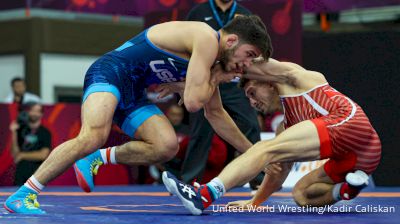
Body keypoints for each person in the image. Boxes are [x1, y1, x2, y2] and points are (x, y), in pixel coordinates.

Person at [4, 15, 272, 214]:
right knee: (94, 134)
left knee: (166, 146)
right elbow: (192, 103)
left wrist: (256, 153)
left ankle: (97, 159)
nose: (245, 65)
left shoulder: (211, 62)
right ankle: (25, 193)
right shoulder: (205, 37)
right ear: (232, 40)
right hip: (109, 72)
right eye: (248, 55)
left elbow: (215, 114)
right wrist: (214, 76)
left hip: (133, 90)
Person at [162, 58, 381, 215]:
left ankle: (205, 195)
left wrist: (205, 71)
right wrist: (255, 202)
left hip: (353, 125)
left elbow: (246, 63)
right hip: (362, 158)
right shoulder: (286, 129)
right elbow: (279, 171)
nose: (252, 103)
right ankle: (348, 189)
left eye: (252, 93)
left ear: (267, 82)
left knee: (264, 148)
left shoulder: (297, 78)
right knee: (302, 195)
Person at [181, 0, 262, 186]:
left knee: (251, 125)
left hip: (234, 84)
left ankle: (258, 179)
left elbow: (252, 52)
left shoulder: (245, 13)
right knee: (200, 131)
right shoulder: (198, 12)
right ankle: (189, 181)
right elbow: (187, 49)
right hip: (204, 79)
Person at [10, 102, 51, 186]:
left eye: (37, 111)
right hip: (20, 175)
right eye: (32, 110)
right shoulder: (21, 130)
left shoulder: (45, 132)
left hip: (37, 176)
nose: (34, 113)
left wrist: (22, 155)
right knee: (18, 199)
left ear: (41, 114)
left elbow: (43, 155)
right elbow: (15, 154)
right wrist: (14, 132)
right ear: (29, 112)